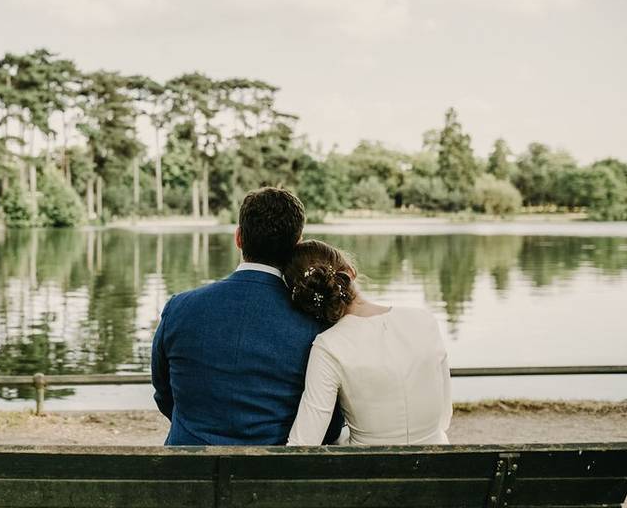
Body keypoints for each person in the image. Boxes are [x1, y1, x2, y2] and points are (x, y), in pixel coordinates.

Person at [151, 187, 343, 445]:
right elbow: (329, 423)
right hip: (272, 476)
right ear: (296, 244)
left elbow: (164, 394)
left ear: (238, 238)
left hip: (188, 471)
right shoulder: (316, 322)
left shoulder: (179, 308)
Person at [284, 239, 452, 446]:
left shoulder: (328, 347)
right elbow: (444, 415)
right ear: (351, 272)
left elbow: (304, 444)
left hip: (370, 473)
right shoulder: (424, 320)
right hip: (440, 467)